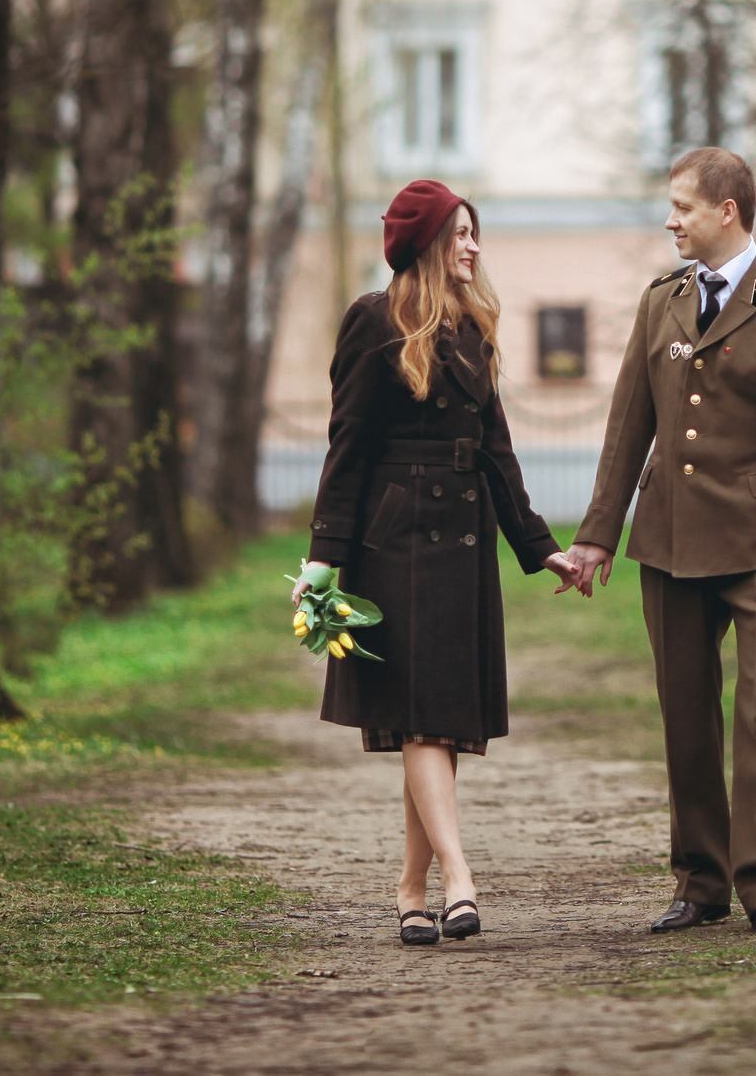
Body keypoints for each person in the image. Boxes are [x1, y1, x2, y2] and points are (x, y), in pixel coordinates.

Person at [295, 179, 588, 947]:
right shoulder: (372, 321)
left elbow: (497, 452)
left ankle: (410, 889)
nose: (473, 246)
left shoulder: (472, 329)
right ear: (425, 243)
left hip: (463, 543)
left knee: (439, 723)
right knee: (424, 717)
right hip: (393, 544)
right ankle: (460, 875)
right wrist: (325, 562)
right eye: (459, 233)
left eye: (474, 232)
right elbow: (347, 449)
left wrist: (538, 544)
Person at [563, 146, 756, 934]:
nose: (670, 219)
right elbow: (629, 427)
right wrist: (595, 538)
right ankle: (700, 880)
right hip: (673, 539)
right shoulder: (662, 301)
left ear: (728, 211)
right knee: (685, 713)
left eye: (682, 206)